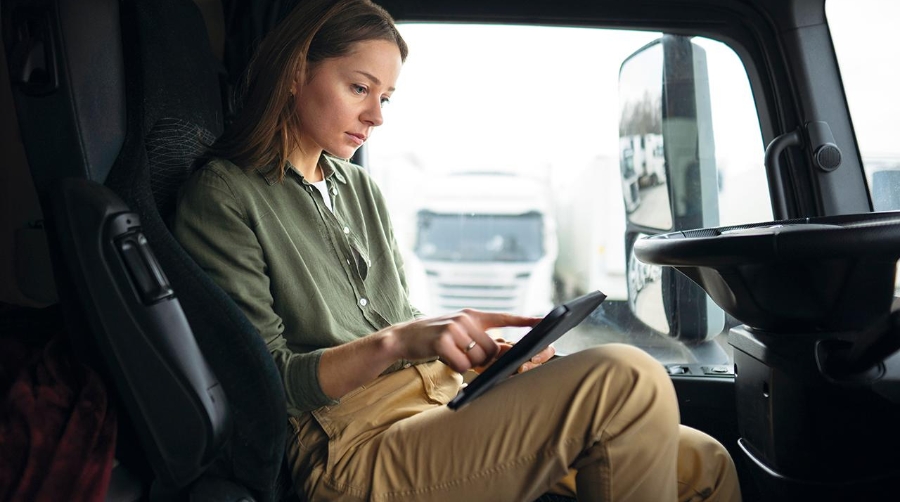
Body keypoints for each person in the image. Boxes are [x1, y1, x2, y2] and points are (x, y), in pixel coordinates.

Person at [173, 0, 742, 500]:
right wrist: (400, 340)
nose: (376, 116)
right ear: (298, 72)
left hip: (438, 404)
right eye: (359, 88)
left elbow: (394, 322)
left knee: (705, 462)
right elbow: (267, 384)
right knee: (625, 375)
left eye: (386, 97)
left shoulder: (357, 189)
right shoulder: (225, 195)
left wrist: (478, 351)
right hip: (352, 448)